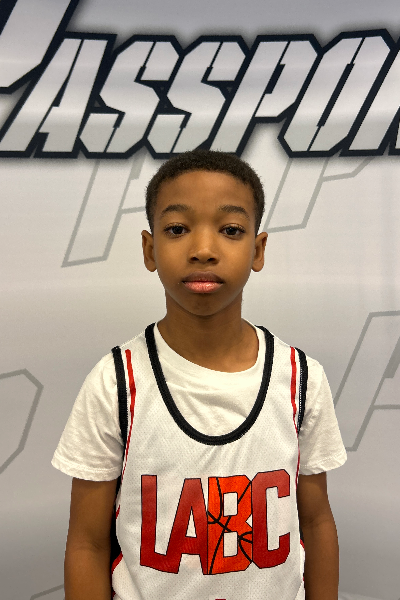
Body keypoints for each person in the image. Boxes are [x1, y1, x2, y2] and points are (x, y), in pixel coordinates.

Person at [52, 149, 347, 600]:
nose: (204, 250)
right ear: (150, 249)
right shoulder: (116, 382)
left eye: (230, 230)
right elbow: (87, 544)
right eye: (177, 229)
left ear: (258, 250)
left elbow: (316, 521)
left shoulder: (300, 378)